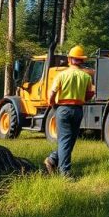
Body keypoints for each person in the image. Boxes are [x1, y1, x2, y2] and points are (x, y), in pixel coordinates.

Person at [44, 45, 95, 178]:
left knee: (66, 140)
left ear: (70, 59)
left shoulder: (62, 75)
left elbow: (52, 94)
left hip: (63, 109)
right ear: (82, 60)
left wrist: (52, 104)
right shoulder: (86, 77)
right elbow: (90, 95)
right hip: (78, 110)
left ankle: (54, 161)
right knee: (69, 140)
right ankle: (63, 171)